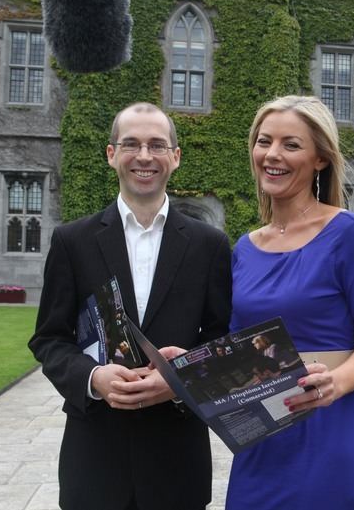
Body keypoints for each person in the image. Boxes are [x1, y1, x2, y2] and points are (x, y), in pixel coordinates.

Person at [28, 102, 232, 510]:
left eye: (157, 145)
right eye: (131, 144)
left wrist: (178, 381)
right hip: (96, 456)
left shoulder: (209, 245)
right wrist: (93, 378)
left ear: (175, 157)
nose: (144, 156)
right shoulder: (73, 242)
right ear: (111, 154)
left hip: (177, 457)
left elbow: (221, 340)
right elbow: (50, 339)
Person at [226, 95, 354, 509]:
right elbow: (234, 347)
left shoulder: (350, 234)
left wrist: (335, 384)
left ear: (320, 158)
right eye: (264, 141)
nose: (272, 155)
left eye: (291, 144)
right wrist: (184, 364)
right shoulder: (243, 249)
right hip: (261, 441)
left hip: (329, 431)